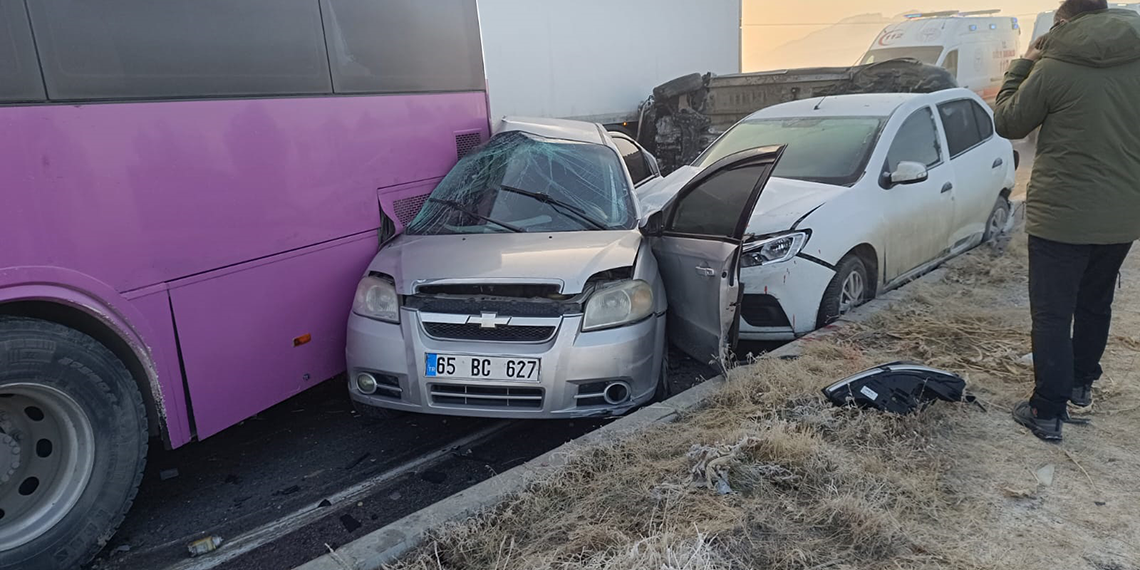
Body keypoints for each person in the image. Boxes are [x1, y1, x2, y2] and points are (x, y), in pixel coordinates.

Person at [995, 0, 1140, 441]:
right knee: (1095, 304)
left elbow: (1008, 121)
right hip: (1123, 213)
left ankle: (1046, 409)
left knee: (1053, 314)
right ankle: (1079, 386)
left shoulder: (1053, 67)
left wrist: (1023, 65)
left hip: (1061, 215)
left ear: (1064, 21)